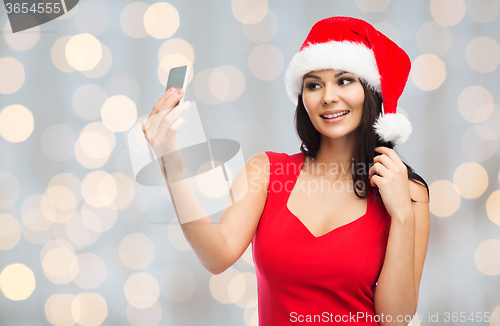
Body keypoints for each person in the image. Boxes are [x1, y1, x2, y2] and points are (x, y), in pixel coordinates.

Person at [143, 16, 430, 326]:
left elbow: (395, 318)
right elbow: (216, 256)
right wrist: (171, 164)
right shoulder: (266, 172)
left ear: (371, 91)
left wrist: (402, 215)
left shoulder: (408, 193)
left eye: (344, 80)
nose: (328, 96)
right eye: (313, 85)